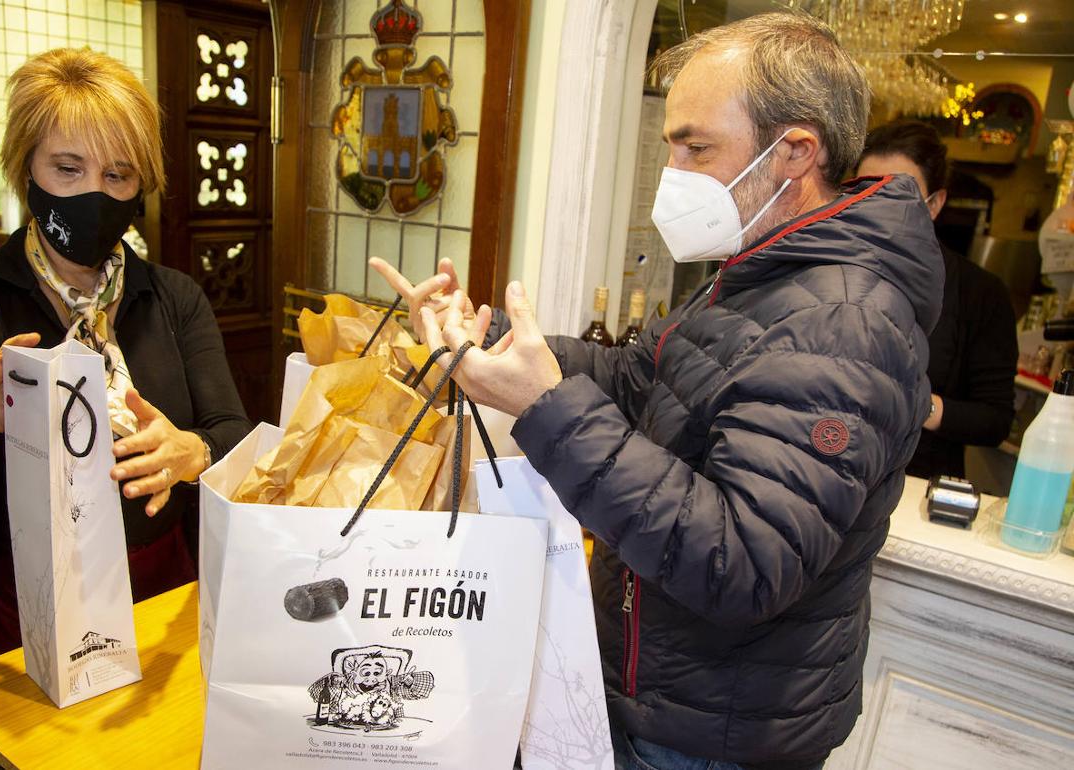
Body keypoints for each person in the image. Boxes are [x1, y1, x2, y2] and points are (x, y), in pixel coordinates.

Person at [374, 13, 942, 770]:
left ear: (795, 152)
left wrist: (548, 407)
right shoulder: (765, 272)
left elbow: (744, 561)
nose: (671, 169)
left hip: (709, 738)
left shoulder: (842, 323)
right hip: (660, 695)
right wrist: (499, 338)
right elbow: (643, 379)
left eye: (694, 146)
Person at [0, 48, 251, 668]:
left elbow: (235, 436)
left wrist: (195, 451)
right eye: (68, 170)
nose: (93, 195)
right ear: (26, 168)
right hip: (18, 612)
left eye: (118, 175)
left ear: (141, 186)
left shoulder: (175, 297)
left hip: (165, 599)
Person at [857, 120, 1017, 479]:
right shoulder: (826, 271)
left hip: (916, 482)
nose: (878, 210)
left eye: (898, 195)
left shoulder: (980, 294)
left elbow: (994, 420)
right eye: (866, 193)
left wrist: (918, 406)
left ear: (934, 204)